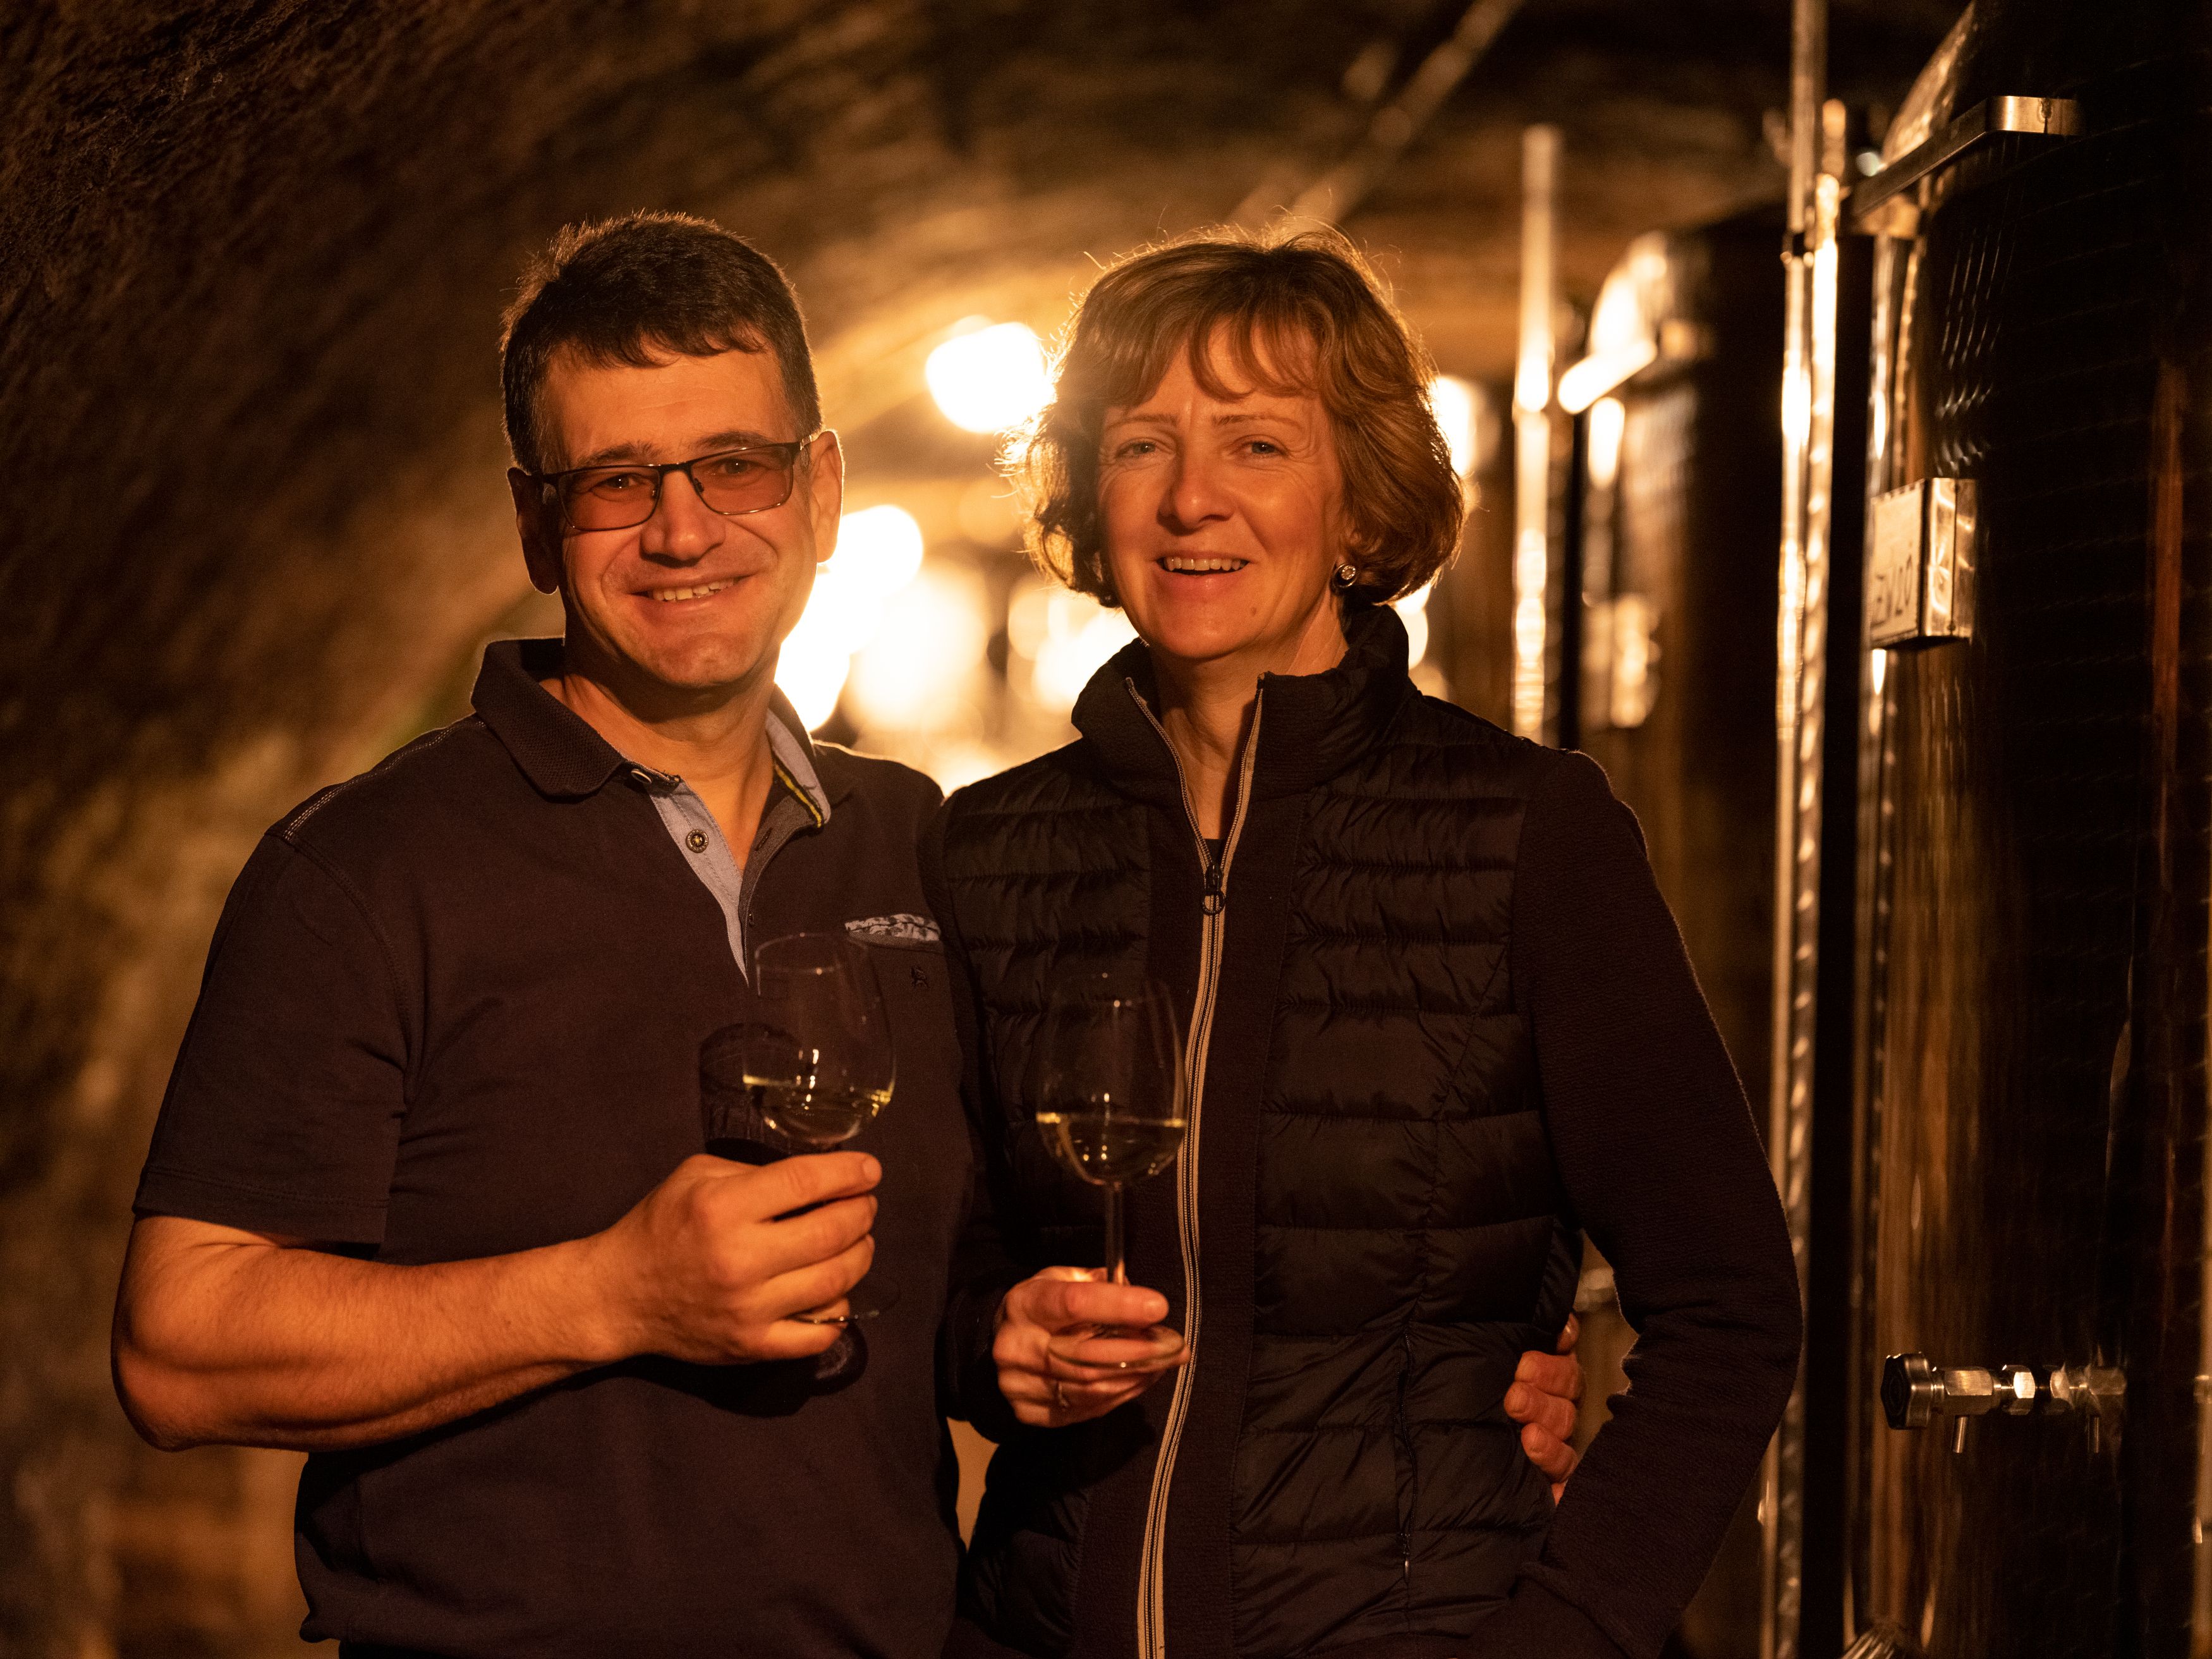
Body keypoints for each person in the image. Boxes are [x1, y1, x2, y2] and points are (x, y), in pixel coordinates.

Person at [110, 210, 1586, 1658]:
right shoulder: (368, 866)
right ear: (532, 521)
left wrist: (1445, 1373)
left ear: (815, 488)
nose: (684, 527)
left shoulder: (920, 842)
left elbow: (964, 1278)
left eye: (732, 466)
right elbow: (179, 1346)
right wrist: (611, 1292)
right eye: (617, 480)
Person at [925, 228, 1802, 1659]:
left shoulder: (1527, 832)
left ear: (1357, 498)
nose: (1192, 496)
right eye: (1142, 444)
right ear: (1093, 489)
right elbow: (930, 1274)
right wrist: (986, 1340)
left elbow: (1727, 1308)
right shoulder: (989, 850)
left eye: (1258, 444)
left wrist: (1566, 1630)